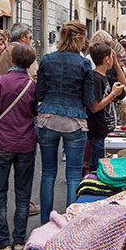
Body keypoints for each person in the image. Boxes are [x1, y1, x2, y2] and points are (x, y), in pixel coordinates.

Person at [0, 43, 38, 250]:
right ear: (31, 63)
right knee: (23, 194)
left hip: (1, 142)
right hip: (25, 143)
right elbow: (34, 111)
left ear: (12, 60)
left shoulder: (0, 82)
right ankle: (19, 240)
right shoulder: (32, 86)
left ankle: (2, 241)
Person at [36, 20, 94, 224]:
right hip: (74, 121)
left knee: (48, 173)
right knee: (73, 174)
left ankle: (45, 222)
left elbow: (39, 93)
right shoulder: (84, 63)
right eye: (85, 36)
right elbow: (89, 100)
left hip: (48, 118)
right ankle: (69, 223)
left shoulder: (47, 59)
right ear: (78, 37)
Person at [87, 42, 126, 172]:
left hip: (105, 131)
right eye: (112, 57)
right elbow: (94, 107)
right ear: (106, 59)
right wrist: (112, 94)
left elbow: (123, 83)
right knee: (97, 168)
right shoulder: (96, 79)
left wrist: (116, 64)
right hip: (97, 131)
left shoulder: (104, 77)